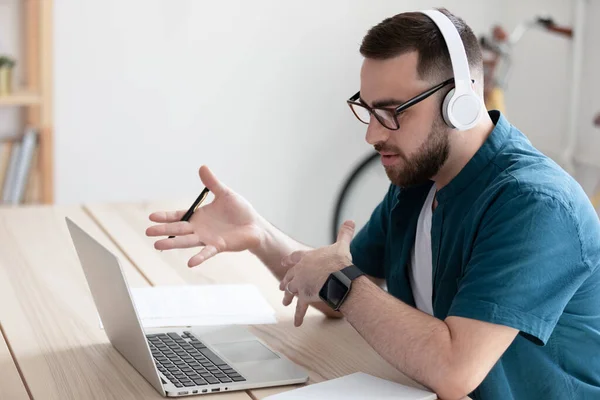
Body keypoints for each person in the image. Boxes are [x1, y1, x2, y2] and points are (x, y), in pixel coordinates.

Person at [146, 8, 600, 400]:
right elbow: (337, 290)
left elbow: (454, 369)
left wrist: (342, 281)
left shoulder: (534, 206)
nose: (373, 134)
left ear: (459, 103)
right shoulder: (419, 180)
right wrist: (260, 233)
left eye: (392, 111)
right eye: (367, 109)